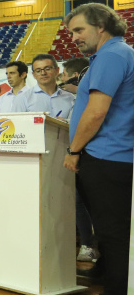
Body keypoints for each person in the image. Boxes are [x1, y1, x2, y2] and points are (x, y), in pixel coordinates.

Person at [62, 3, 133, 295]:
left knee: (113, 237)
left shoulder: (111, 56)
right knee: (109, 235)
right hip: (110, 156)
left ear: (101, 25)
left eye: (79, 30)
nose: (74, 37)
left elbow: (96, 112)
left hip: (107, 157)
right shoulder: (115, 54)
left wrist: (74, 150)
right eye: (71, 32)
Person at [58, 57, 97, 262]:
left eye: (63, 75)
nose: (61, 80)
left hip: (90, 155)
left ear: (74, 76)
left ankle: (94, 247)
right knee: (80, 201)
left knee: (91, 204)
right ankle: (88, 245)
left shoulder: (91, 97)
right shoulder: (76, 99)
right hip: (81, 155)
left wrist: (74, 152)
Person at [17, 54, 74, 119]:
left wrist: (65, 122)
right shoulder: (23, 99)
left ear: (57, 70)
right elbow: (16, 123)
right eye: (38, 71)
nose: (43, 73)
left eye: (47, 69)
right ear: (34, 75)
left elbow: (76, 123)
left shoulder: (70, 98)